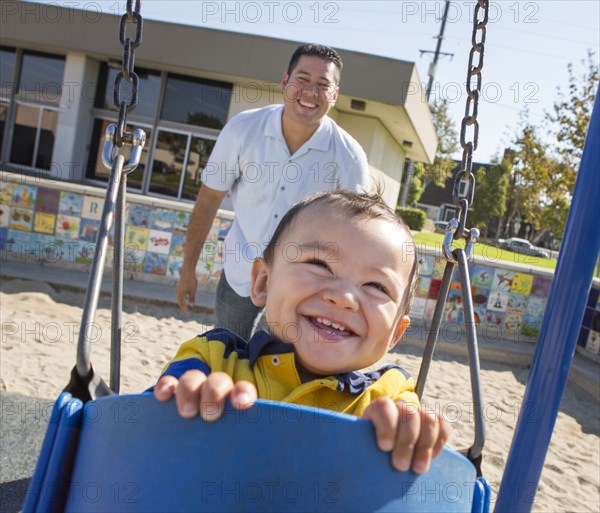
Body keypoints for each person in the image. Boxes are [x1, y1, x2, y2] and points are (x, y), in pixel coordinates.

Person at [157, 190, 450, 474]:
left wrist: (403, 432)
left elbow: (413, 439)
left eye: (376, 287)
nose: (344, 298)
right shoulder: (213, 358)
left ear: (395, 334)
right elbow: (145, 434)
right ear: (262, 282)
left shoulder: (388, 395)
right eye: (319, 264)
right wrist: (186, 401)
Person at [176, 43, 372, 339]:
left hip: (304, 288)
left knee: (279, 373)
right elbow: (209, 199)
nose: (310, 92)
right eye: (302, 80)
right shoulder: (243, 129)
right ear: (285, 82)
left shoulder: (349, 156)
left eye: (323, 85)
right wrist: (187, 270)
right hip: (241, 274)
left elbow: (356, 234)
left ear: (334, 95)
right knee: (228, 356)